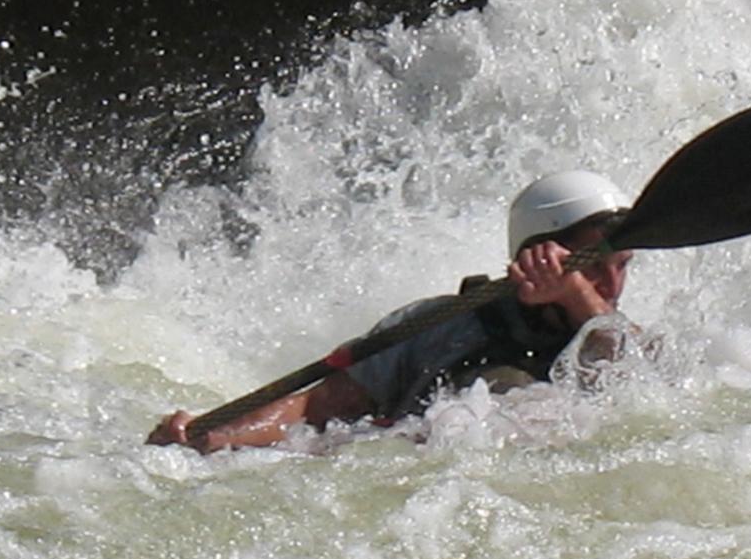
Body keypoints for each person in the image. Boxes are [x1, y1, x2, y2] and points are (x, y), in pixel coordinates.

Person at [146, 170, 636, 453]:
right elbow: (314, 410)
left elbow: (647, 386)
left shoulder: (620, 341)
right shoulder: (444, 326)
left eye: (621, 266)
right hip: (433, 490)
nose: (612, 286)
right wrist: (215, 438)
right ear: (535, 256)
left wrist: (579, 296)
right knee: (502, 388)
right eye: (593, 267)